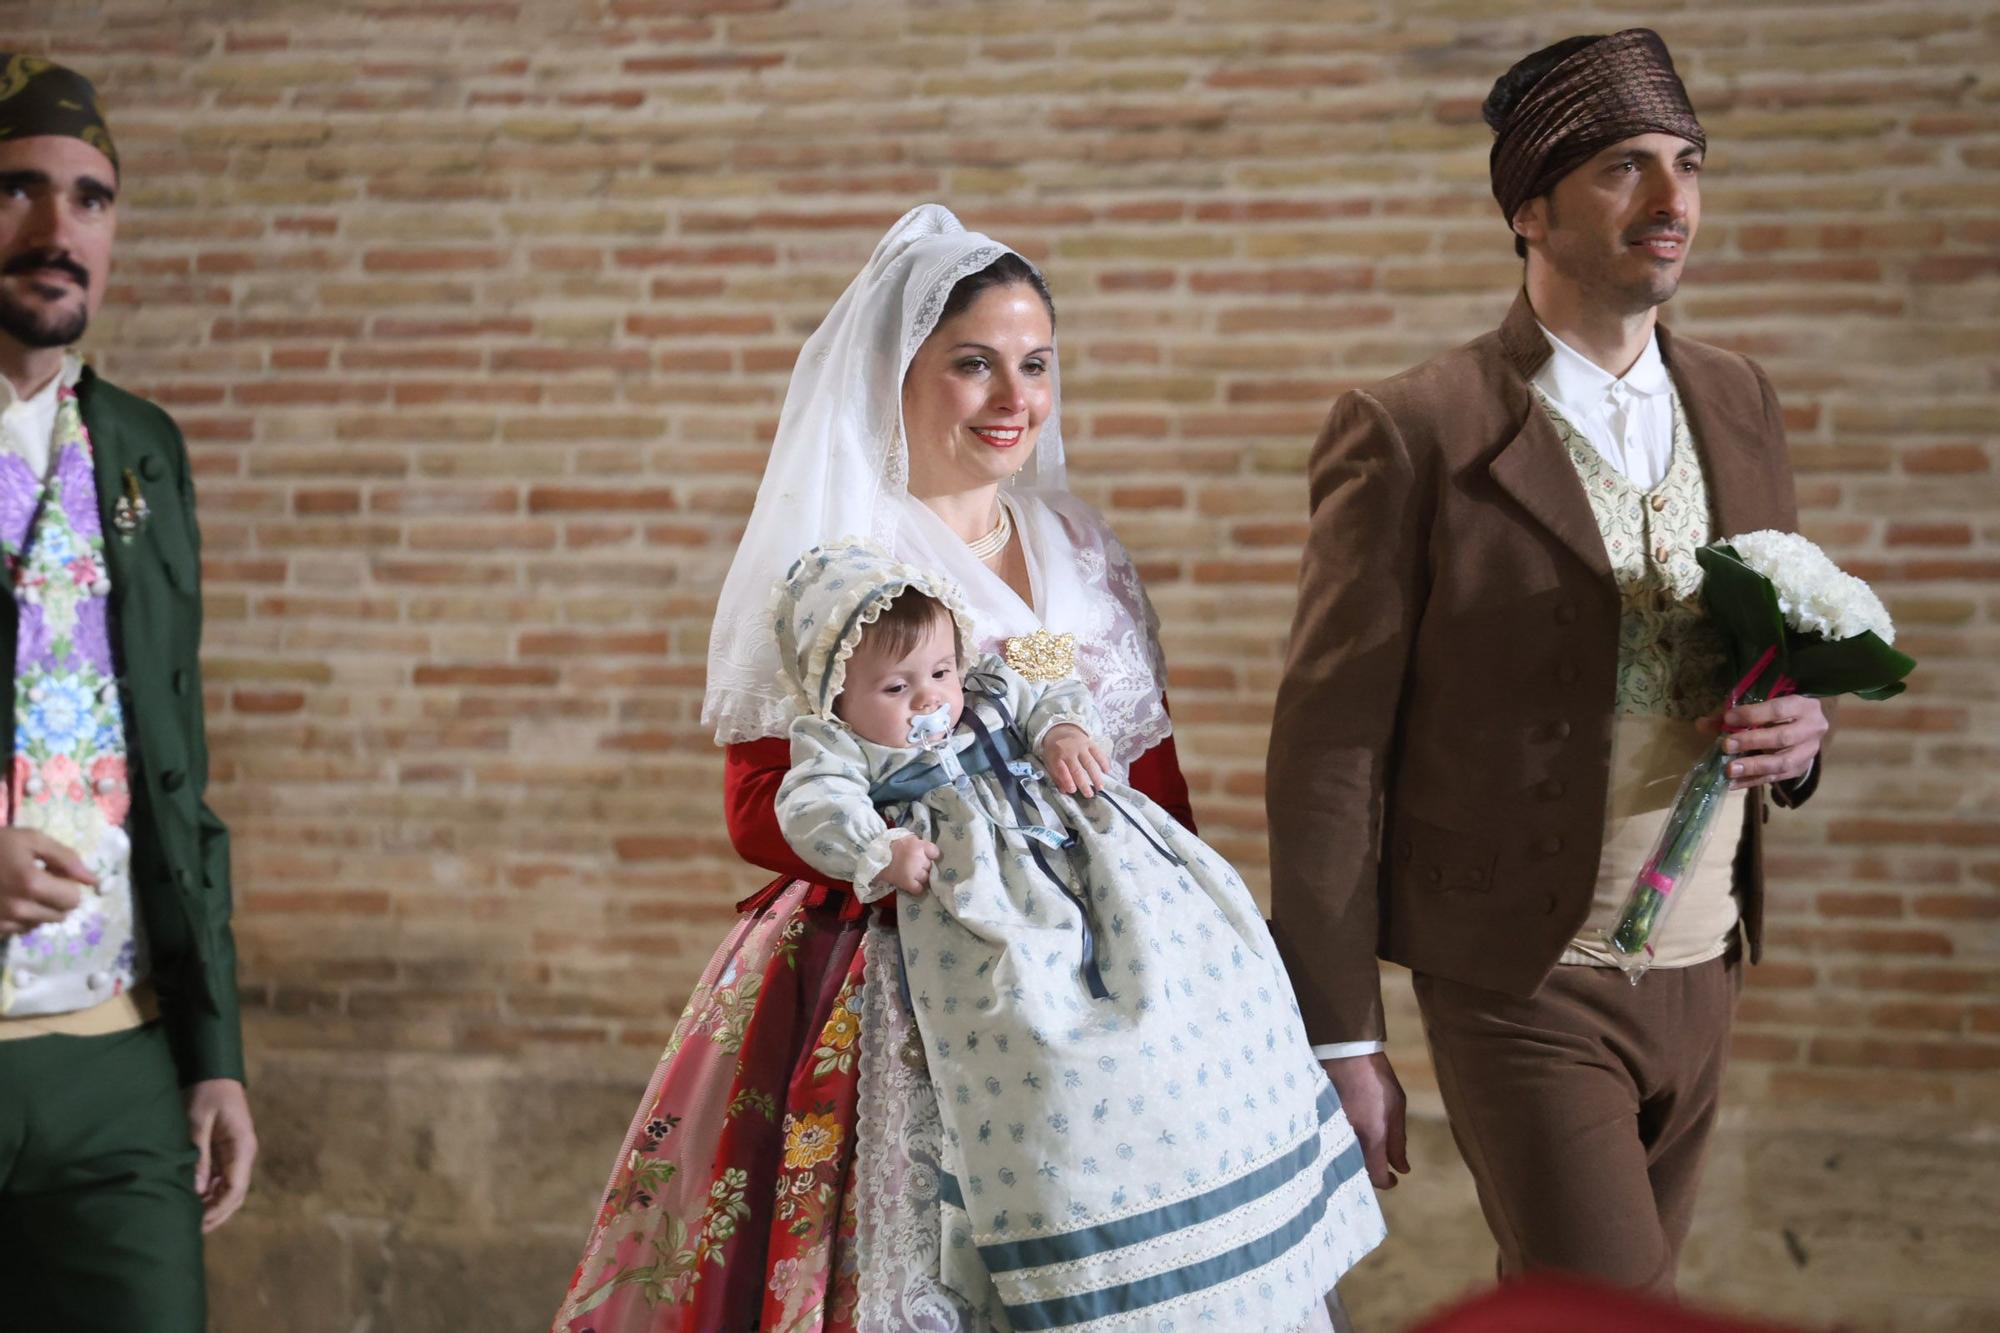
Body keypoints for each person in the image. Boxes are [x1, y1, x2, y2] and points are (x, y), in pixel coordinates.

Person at [554, 205, 1220, 1332]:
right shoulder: (847, 565)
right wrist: (925, 828)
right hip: (906, 974)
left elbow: (1147, 787)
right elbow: (758, 801)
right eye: (973, 365)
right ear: (894, 374)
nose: (1014, 398)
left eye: (1034, 364)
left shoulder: (1080, 554)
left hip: (1103, 978)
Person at [1265, 29, 1829, 1294]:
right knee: (1605, 1307)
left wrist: (1797, 737)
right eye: (1624, 168)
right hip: (1522, 975)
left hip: (1705, 957)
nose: (1672, 201)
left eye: (1687, 164)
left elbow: (1764, 657)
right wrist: (1338, 1032)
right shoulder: (1414, 429)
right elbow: (1327, 752)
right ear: (1526, 207)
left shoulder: (1738, 401)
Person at [767, 540, 1382, 1331]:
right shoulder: (838, 746)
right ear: (835, 694)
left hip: (1101, 877)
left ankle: (1226, 1150)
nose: (930, 697)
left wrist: (1058, 730)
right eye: (895, 685)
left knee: (1201, 986)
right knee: (1039, 1037)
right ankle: (1079, 1228)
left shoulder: (989, 687)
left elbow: (1047, 685)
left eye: (941, 671)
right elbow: (811, 802)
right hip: (995, 914)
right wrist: (876, 848)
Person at [0, 53, 254, 1332]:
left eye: (91, 199)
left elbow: (175, 761)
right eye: (18, 191)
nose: (58, 231)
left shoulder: (140, 444)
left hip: (114, 1051)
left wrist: (210, 1050)